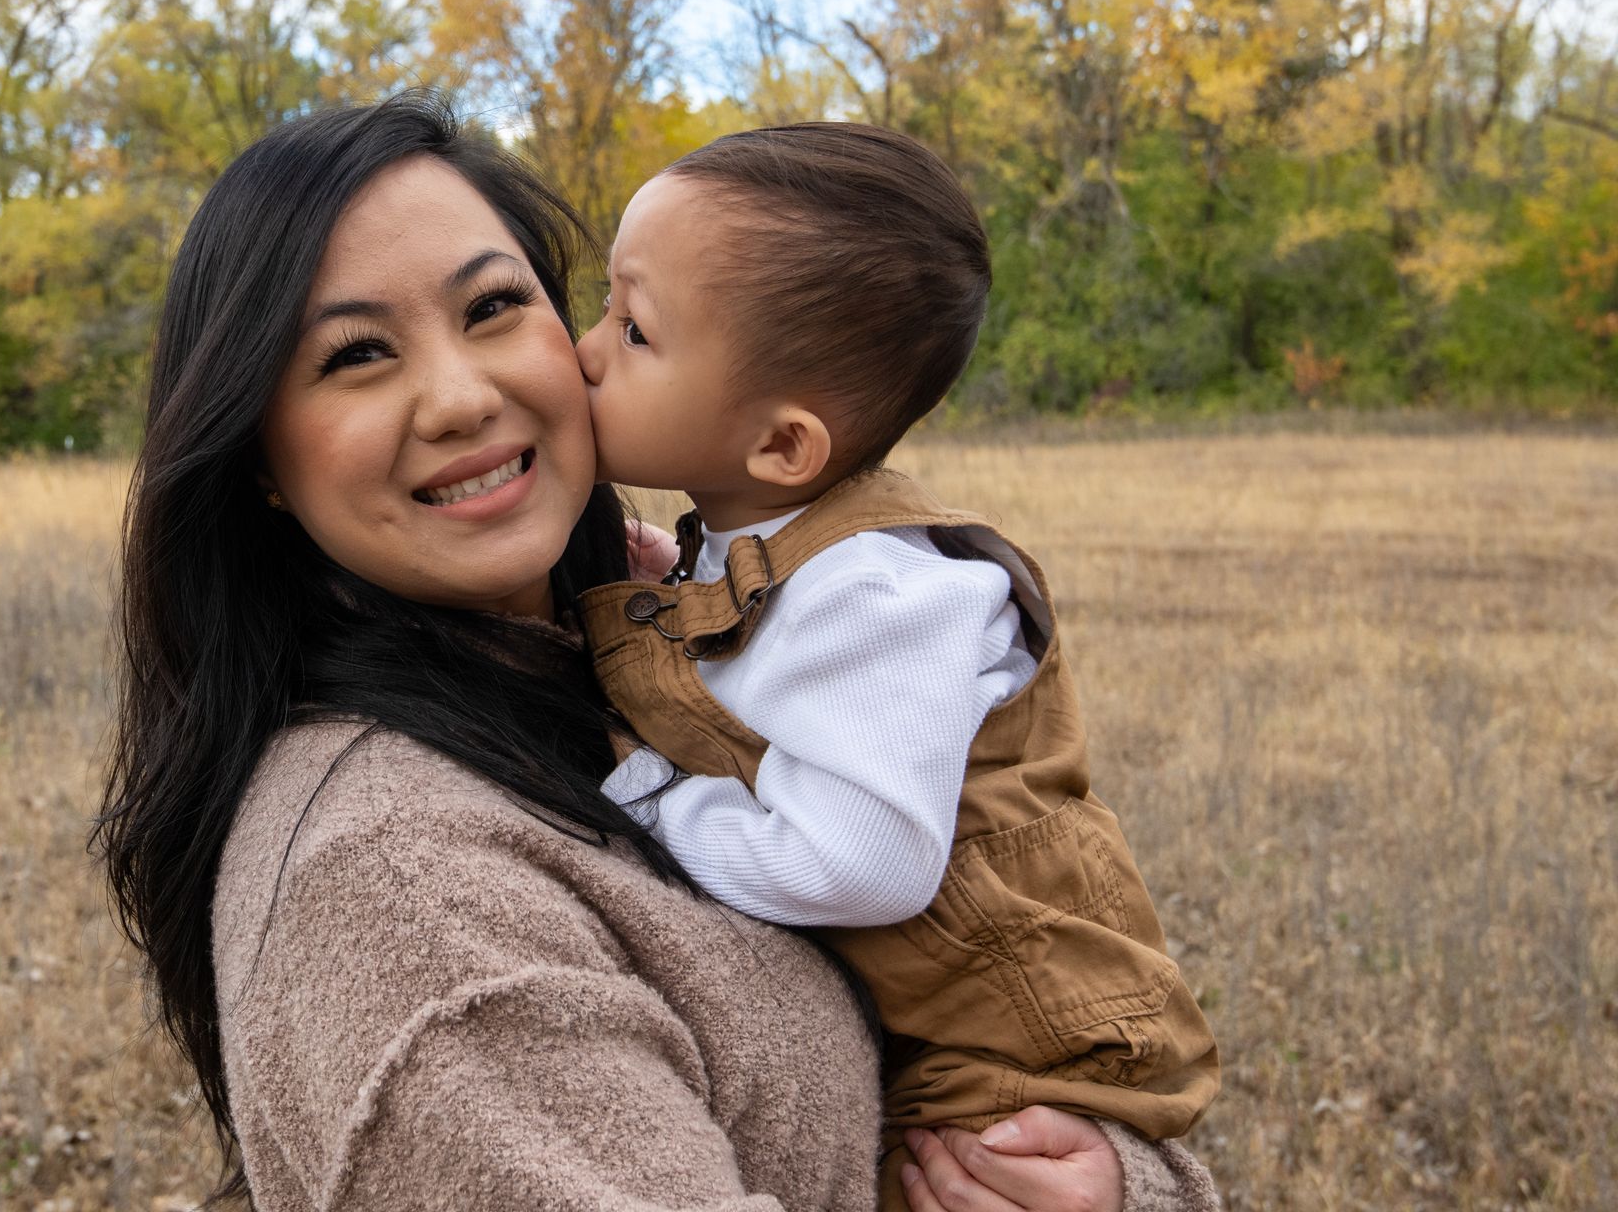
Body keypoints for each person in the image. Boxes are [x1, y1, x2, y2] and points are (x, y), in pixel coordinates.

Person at [93, 91, 1221, 1211]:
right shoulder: (405, 881)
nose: (461, 395)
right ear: (256, 461)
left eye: (493, 305)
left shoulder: (688, 623)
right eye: (354, 355)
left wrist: (1109, 1183)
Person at [571, 122, 1220, 1209]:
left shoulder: (875, 589)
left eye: (633, 329)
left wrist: (649, 802)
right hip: (937, 1030)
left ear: (782, 446)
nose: (586, 348)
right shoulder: (757, 541)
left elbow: (864, 858)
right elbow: (766, 694)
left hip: (1016, 1053)